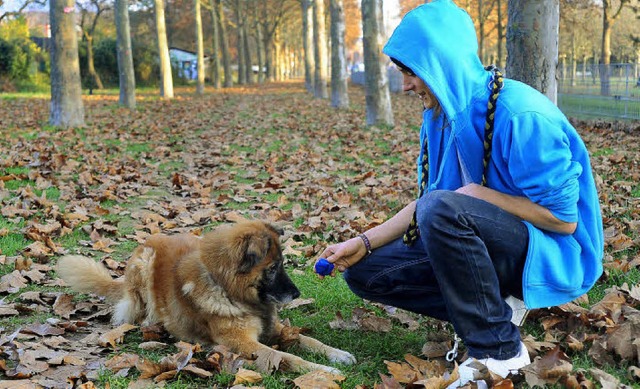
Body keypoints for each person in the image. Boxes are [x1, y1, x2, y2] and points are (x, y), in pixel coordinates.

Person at [316, 0, 604, 387]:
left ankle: (500, 352)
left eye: (410, 72)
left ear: (440, 62)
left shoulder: (522, 116)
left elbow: (564, 221)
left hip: (546, 249)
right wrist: (364, 242)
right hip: (477, 237)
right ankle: (493, 312)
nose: (405, 85)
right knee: (368, 273)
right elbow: (432, 202)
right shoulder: (441, 116)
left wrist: (480, 195)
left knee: (445, 208)